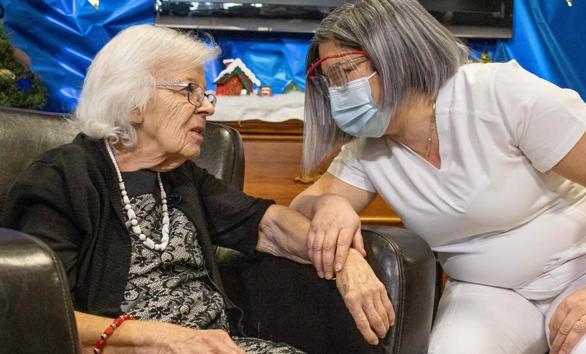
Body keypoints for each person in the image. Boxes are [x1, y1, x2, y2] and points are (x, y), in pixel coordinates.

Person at [1, 24, 395, 353]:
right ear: (133, 100)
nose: (207, 106)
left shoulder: (181, 175)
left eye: (204, 93)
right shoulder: (62, 178)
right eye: (189, 90)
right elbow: (36, 312)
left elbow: (269, 225)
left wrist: (348, 263)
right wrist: (160, 337)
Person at [291, 0, 586, 353]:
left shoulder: (500, 94)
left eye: (346, 72)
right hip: (487, 291)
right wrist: (330, 205)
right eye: (330, 82)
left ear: (396, 54)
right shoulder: (367, 150)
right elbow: (297, 213)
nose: (337, 93)